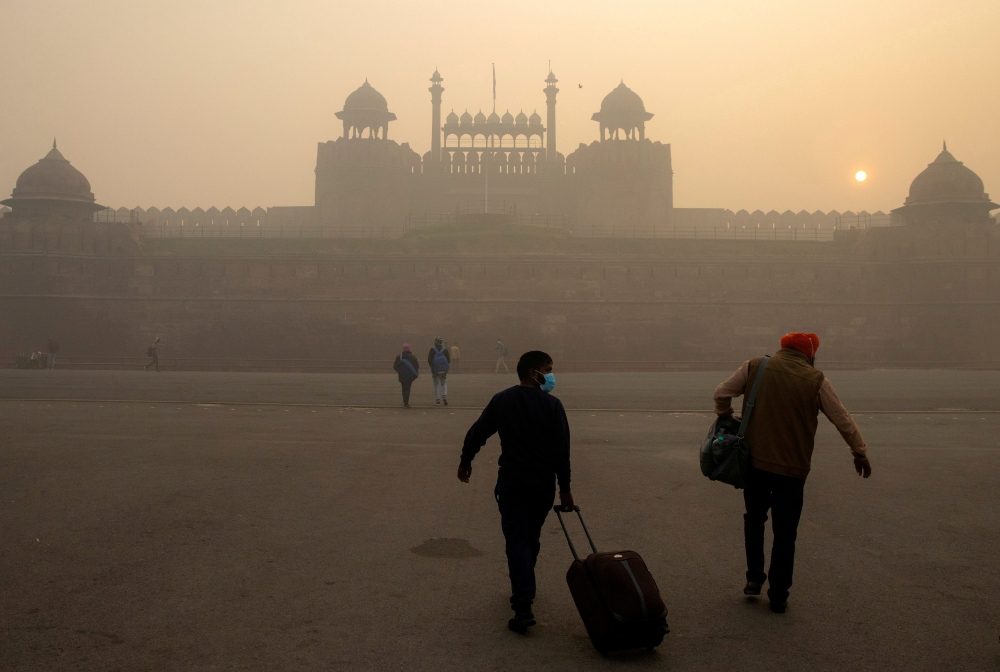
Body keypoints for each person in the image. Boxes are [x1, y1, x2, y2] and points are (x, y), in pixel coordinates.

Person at [713, 332, 872, 614]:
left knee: (754, 519)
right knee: (785, 532)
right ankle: (778, 595)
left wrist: (725, 415)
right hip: (793, 470)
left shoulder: (754, 366)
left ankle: (753, 578)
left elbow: (722, 393)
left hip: (756, 464)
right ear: (810, 355)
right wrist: (859, 451)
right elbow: (842, 419)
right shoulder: (816, 380)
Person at [458, 350, 573, 634]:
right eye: (548, 369)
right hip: (542, 486)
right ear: (534, 372)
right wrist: (565, 489)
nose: (551, 374)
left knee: (517, 540)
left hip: (511, 483)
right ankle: (525, 586)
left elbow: (478, 432)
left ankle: (523, 604)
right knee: (530, 538)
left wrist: (465, 460)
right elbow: (561, 453)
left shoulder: (503, 401)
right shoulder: (552, 406)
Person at [392, 343, 420, 408]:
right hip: (410, 376)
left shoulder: (399, 357)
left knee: (403, 388)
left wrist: (400, 371)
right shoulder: (413, 357)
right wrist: (414, 374)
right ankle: (406, 403)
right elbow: (417, 366)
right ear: (409, 348)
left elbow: (395, 366)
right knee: (408, 388)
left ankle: (404, 401)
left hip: (402, 376)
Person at [427, 336, 451, 405]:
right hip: (443, 370)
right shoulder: (445, 350)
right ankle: (444, 397)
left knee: (436, 384)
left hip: (435, 370)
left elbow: (429, 359)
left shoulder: (432, 350)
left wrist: (432, 367)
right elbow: (448, 360)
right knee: (443, 383)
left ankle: (438, 400)